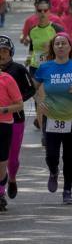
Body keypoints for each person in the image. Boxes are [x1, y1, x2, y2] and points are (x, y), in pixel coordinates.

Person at [34, 33, 72, 204]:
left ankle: (67, 190)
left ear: (70, 47)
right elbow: (32, 88)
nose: (60, 46)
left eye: (64, 43)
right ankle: (53, 171)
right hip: (52, 117)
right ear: (53, 48)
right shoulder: (45, 68)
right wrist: (40, 101)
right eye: (57, 44)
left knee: (68, 157)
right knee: (51, 156)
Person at [0, 36, 36, 202]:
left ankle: (12, 177)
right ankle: (1, 191)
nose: (2, 54)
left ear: (11, 52)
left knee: (12, 158)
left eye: (5, 51)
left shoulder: (19, 69)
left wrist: (16, 99)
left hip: (16, 118)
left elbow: (31, 89)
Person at [0, 65, 24, 211]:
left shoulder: (7, 79)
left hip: (3, 125)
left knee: (1, 165)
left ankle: (3, 182)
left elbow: (19, 105)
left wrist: (4, 110)